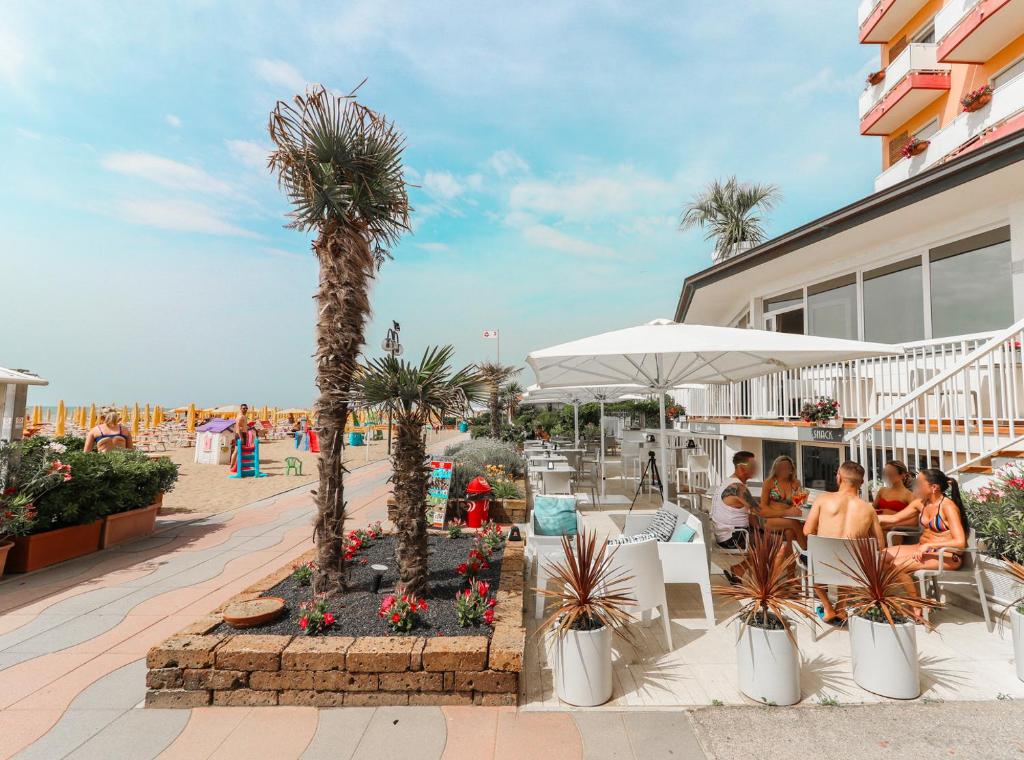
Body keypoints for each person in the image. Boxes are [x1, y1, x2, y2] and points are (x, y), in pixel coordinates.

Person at [803, 461, 884, 625]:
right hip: (852, 569)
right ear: (861, 483)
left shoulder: (823, 499)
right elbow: (880, 545)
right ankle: (841, 607)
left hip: (821, 565)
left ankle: (827, 608)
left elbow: (807, 531)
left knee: (809, 564)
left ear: (838, 478)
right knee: (853, 558)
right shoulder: (868, 509)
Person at [881, 468, 968, 578]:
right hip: (921, 548)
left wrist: (929, 545)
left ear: (934, 487)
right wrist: (870, 516)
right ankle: (908, 594)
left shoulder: (948, 507)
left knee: (896, 564)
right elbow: (894, 518)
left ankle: (912, 595)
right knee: (880, 557)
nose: (916, 487)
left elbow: (960, 542)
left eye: (920, 484)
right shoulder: (920, 503)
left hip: (946, 555)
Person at [711, 450, 760, 584]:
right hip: (732, 537)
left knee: (770, 535)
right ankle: (740, 570)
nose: (756, 468)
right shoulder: (737, 487)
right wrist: (788, 510)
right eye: (753, 465)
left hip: (725, 533)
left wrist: (759, 529)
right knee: (775, 541)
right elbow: (759, 510)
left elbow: (751, 514)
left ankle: (743, 571)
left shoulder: (730, 482)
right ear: (741, 467)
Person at [759, 455, 809, 551]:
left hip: (789, 519)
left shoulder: (795, 483)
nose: (785, 470)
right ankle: (806, 552)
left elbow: (798, 506)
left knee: (790, 532)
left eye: (787, 468)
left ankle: (790, 563)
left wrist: (801, 501)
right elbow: (763, 510)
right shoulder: (769, 482)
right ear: (776, 469)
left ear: (791, 469)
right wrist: (786, 513)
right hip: (771, 520)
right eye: (781, 468)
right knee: (794, 524)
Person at [229, 403, 250, 470]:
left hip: (242, 434)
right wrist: (241, 437)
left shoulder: (244, 416)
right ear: (240, 409)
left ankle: (236, 466)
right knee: (237, 451)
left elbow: (243, 426)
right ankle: (232, 466)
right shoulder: (240, 416)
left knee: (239, 451)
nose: (245, 409)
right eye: (244, 408)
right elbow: (238, 428)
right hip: (240, 434)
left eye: (246, 408)